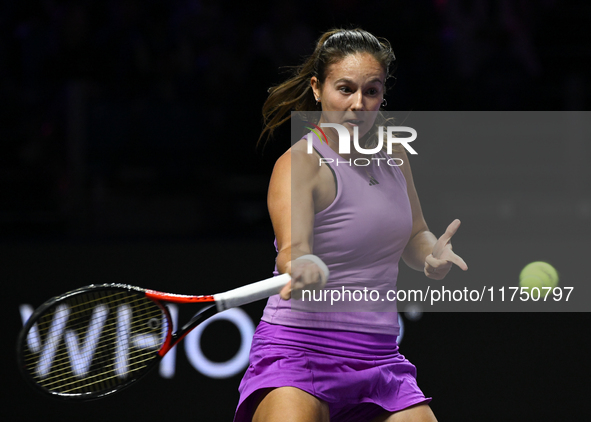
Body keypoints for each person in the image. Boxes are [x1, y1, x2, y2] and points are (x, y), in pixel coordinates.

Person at [234, 28, 468, 422]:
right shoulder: (299, 163)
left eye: (372, 91)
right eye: (345, 89)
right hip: (301, 353)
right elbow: (293, 248)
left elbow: (414, 235)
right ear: (317, 88)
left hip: (379, 358)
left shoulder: (394, 154)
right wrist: (300, 265)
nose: (359, 104)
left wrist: (431, 254)